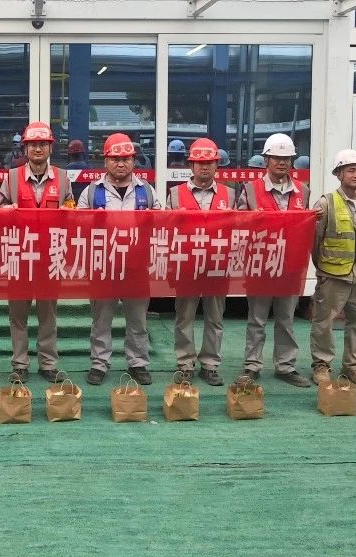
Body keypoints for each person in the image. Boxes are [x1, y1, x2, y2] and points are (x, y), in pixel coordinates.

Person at [236, 133, 321, 387]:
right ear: (266, 160)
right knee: (257, 319)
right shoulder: (251, 190)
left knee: (286, 318)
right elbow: (239, 223)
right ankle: (252, 365)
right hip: (260, 265)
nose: (281, 162)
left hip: (291, 266)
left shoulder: (303, 191)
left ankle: (286, 366)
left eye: (286, 158)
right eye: (276, 158)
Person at [77, 133, 160, 385]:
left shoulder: (147, 190)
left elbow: (160, 223)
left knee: (138, 319)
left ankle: (138, 363)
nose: (121, 164)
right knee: (101, 320)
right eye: (115, 159)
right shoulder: (92, 192)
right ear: (105, 161)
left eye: (126, 159)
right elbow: (77, 227)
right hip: (104, 266)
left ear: (134, 161)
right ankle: (99, 364)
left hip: (137, 266)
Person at [0, 121, 74, 383]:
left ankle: (48, 363)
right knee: (17, 315)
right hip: (19, 257)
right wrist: (5, 211)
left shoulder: (62, 178)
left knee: (48, 314)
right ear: (25, 149)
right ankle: (20, 364)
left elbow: (71, 211)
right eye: (33, 145)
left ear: (50, 148)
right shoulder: (11, 178)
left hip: (50, 257)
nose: (38, 149)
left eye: (43, 144)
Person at [309, 149, 356, 388]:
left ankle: (353, 366)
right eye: (351, 171)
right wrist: (322, 268)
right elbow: (314, 241)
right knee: (324, 323)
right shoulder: (326, 203)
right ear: (339, 174)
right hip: (333, 275)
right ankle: (321, 365)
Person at [166, 138, 231, 386]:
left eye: (209, 163)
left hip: (217, 264)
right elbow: (167, 230)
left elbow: (239, 227)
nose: (204, 167)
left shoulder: (229, 194)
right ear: (191, 165)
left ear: (216, 165)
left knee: (215, 317)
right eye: (199, 163)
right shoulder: (175, 194)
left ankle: (210, 364)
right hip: (186, 264)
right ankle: (185, 363)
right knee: (184, 317)